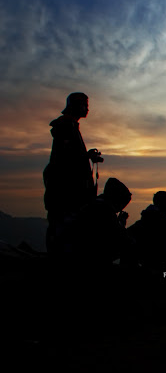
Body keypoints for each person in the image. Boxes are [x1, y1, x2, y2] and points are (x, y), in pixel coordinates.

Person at [43, 92, 103, 258]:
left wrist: (87, 156)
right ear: (76, 105)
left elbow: (69, 157)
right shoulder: (66, 127)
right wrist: (86, 157)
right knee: (63, 227)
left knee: (63, 227)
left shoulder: (69, 126)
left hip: (65, 188)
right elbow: (66, 159)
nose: (88, 109)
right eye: (85, 105)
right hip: (65, 190)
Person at [65, 177, 133, 272]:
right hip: (94, 260)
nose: (119, 210)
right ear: (116, 199)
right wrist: (121, 224)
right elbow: (118, 238)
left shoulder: (92, 207)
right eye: (121, 206)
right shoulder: (104, 211)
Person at [127, 191, 166, 274]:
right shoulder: (157, 218)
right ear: (163, 203)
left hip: (143, 253)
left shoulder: (151, 215)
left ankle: (154, 265)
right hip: (149, 253)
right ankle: (156, 266)